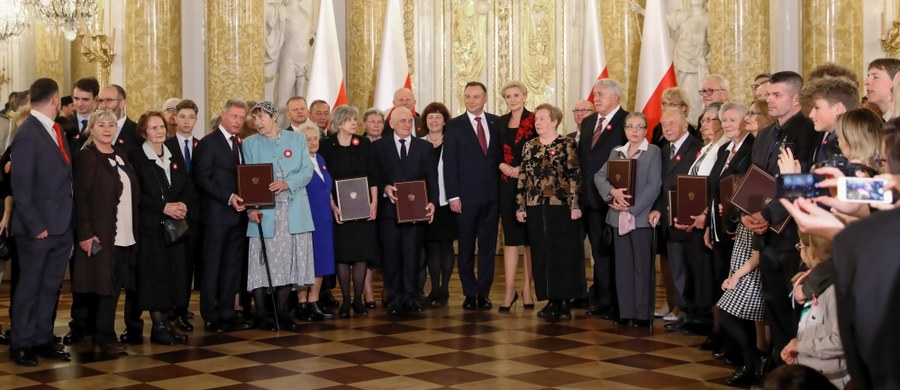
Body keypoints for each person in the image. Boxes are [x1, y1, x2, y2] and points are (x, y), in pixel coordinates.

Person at [742, 71, 818, 369]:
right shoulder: (765, 134)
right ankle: (776, 368)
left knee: (792, 306)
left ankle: (796, 371)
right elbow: (756, 179)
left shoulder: (809, 132)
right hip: (765, 234)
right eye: (767, 94)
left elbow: (802, 182)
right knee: (773, 304)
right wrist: (749, 212)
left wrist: (769, 214)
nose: (768, 99)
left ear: (796, 98)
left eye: (776, 95)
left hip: (791, 234)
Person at [8, 78, 73, 366]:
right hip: (38, 229)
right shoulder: (27, 132)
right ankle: (21, 343)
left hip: (60, 226)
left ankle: (42, 337)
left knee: (50, 286)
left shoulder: (56, 129)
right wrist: (37, 226)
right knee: (30, 287)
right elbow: (20, 186)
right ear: (56, 99)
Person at [243, 101, 315, 331]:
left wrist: (288, 183)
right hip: (265, 212)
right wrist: (250, 208)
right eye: (254, 118)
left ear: (274, 117)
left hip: (294, 210)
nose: (257, 122)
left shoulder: (297, 139)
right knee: (262, 263)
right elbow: (247, 179)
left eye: (261, 117)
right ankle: (262, 314)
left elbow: (307, 170)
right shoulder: (249, 144)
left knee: (288, 262)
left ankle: (282, 313)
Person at [72, 109, 138, 354]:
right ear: (92, 128)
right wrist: (86, 233)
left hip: (124, 232)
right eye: (101, 124)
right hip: (101, 232)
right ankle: (102, 335)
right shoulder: (87, 157)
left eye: (111, 124)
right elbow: (82, 198)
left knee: (115, 283)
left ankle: (104, 332)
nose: (107, 128)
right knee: (101, 284)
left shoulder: (120, 154)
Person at [515, 103, 584, 320]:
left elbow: (574, 175)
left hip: (561, 206)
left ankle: (564, 301)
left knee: (562, 252)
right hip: (535, 205)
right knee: (541, 252)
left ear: (554, 121)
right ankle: (550, 300)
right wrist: (520, 205)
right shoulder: (529, 146)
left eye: (543, 119)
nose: (538, 123)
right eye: (537, 119)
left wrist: (574, 205)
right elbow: (523, 177)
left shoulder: (567, 143)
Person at [594, 112, 662, 328]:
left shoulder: (653, 152)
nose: (634, 131)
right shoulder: (617, 151)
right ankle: (625, 311)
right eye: (630, 126)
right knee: (622, 267)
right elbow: (599, 176)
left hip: (640, 218)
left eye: (639, 127)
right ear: (624, 130)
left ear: (645, 130)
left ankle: (642, 314)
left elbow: (654, 185)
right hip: (616, 217)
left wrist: (631, 207)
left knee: (641, 268)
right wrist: (613, 193)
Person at [130, 111, 192, 345]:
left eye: (162, 127)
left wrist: (182, 205)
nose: (159, 131)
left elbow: (186, 183)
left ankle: (167, 323)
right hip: (151, 228)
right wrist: (164, 207)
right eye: (153, 128)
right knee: (155, 278)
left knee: (173, 276)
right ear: (144, 132)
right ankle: (158, 326)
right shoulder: (136, 158)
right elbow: (138, 195)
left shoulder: (172, 154)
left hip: (175, 227)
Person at [193, 99, 253, 333]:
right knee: (212, 267)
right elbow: (202, 179)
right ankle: (210, 315)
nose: (238, 121)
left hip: (238, 218)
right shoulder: (209, 143)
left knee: (232, 266)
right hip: (216, 217)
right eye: (234, 116)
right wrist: (229, 197)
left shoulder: (240, 144)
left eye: (241, 117)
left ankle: (228, 312)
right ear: (223, 116)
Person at [443, 81, 501, 311]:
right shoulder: (454, 125)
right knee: (466, 247)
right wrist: (453, 196)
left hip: (491, 197)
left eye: (476, 97)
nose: (471, 100)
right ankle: (469, 292)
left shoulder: (497, 122)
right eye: (467, 96)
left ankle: (483, 293)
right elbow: (450, 164)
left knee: (488, 247)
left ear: (485, 99)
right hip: (465, 198)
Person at [373, 107, 437, 315]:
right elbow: (375, 176)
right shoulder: (379, 147)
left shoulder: (425, 147)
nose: (407, 124)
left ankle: (411, 296)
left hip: (416, 212)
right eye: (402, 121)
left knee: (413, 256)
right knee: (391, 256)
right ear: (391, 123)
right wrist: (385, 187)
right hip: (389, 212)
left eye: (410, 121)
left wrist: (433, 202)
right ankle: (393, 298)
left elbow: (432, 179)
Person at [319, 105, 379, 318]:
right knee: (343, 256)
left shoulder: (363, 143)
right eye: (350, 119)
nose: (354, 122)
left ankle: (357, 302)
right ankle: (345, 301)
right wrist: (332, 204)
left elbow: (373, 174)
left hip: (363, 208)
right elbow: (325, 180)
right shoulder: (327, 146)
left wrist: (374, 203)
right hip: (340, 209)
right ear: (339, 122)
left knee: (361, 254)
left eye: (355, 119)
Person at [648, 108, 702, 327]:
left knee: (691, 271)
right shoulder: (662, 150)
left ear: (684, 126)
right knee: (677, 269)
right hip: (669, 221)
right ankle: (683, 312)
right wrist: (658, 209)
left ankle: (694, 314)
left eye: (672, 124)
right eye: (663, 124)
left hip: (690, 221)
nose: (667, 128)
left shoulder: (698, 149)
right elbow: (661, 187)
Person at [579, 78, 628, 319]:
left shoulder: (627, 122)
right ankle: (601, 299)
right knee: (599, 253)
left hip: (615, 200)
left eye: (600, 94)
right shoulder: (588, 123)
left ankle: (616, 304)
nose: (595, 98)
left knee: (614, 255)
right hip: (590, 200)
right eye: (594, 94)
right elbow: (584, 161)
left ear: (615, 98)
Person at [61, 76, 101, 346]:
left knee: (98, 266)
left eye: (85, 99)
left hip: (99, 208)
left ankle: (99, 324)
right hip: (71, 207)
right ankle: (78, 323)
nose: (79, 104)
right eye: (76, 98)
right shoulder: (63, 127)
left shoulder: (103, 126)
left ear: (95, 100)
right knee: (78, 271)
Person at [780, 233, 849, 389]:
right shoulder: (815, 285)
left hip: (833, 382)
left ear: (811, 252)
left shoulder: (834, 291)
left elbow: (841, 342)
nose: (800, 251)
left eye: (800, 247)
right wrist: (799, 357)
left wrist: (799, 346)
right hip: (813, 374)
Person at [496, 81, 537, 311]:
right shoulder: (500, 122)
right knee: (511, 239)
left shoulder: (534, 120)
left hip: (529, 185)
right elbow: (493, 151)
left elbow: (539, 146)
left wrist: (522, 168)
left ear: (524, 96)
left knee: (529, 240)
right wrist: (502, 165)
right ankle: (509, 290)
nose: (512, 99)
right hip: (505, 185)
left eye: (516, 95)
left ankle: (527, 290)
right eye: (508, 96)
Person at [164, 99, 202, 332]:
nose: (187, 121)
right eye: (183, 116)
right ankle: (169, 308)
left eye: (191, 117)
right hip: (172, 214)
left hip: (196, 214)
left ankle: (183, 308)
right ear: (175, 118)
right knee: (173, 265)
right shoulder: (166, 146)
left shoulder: (202, 145)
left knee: (189, 265)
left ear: (196, 120)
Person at [418, 102, 457, 308]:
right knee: (431, 246)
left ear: (444, 121)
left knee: (446, 245)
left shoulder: (452, 142)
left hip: (448, 201)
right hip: (427, 203)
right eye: (430, 117)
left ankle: (444, 289)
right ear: (425, 121)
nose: (434, 120)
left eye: (438, 117)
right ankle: (434, 289)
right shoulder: (419, 143)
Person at [296, 123, 335, 321]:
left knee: (321, 260)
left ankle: (314, 301)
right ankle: (302, 303)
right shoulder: (298, 162)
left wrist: (334, 206)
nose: (313, 142)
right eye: (308, 139)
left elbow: (326, 188)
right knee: (305, 261)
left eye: (315, 138)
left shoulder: (320, 159)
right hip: (306, 217)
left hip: (324, 218)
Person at [800, 76, 859, 165]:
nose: (811, 115)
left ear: (838, 109)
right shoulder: (828, 138)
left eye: (817, 107)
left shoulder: (845, 145)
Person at [96, 85, 140, 157]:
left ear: (122, 103)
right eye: (100, 101)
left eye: (108, 100)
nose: (103, 105)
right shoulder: (93, 129)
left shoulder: (137, 131)